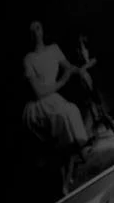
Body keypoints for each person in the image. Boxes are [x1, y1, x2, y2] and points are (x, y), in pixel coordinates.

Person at [21, 20, 89, 191]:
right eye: (31, 30)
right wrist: (63, 80)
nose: (35, 32)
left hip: (55, 99)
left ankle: (70, 168)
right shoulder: (29, 59)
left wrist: (80, 70)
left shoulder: (53, 49)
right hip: (39, 105)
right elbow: (39, 92)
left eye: (38, 28)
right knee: (63, 117)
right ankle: (64, 179)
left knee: (71, 111)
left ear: (42, 30)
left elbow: (68, 67)